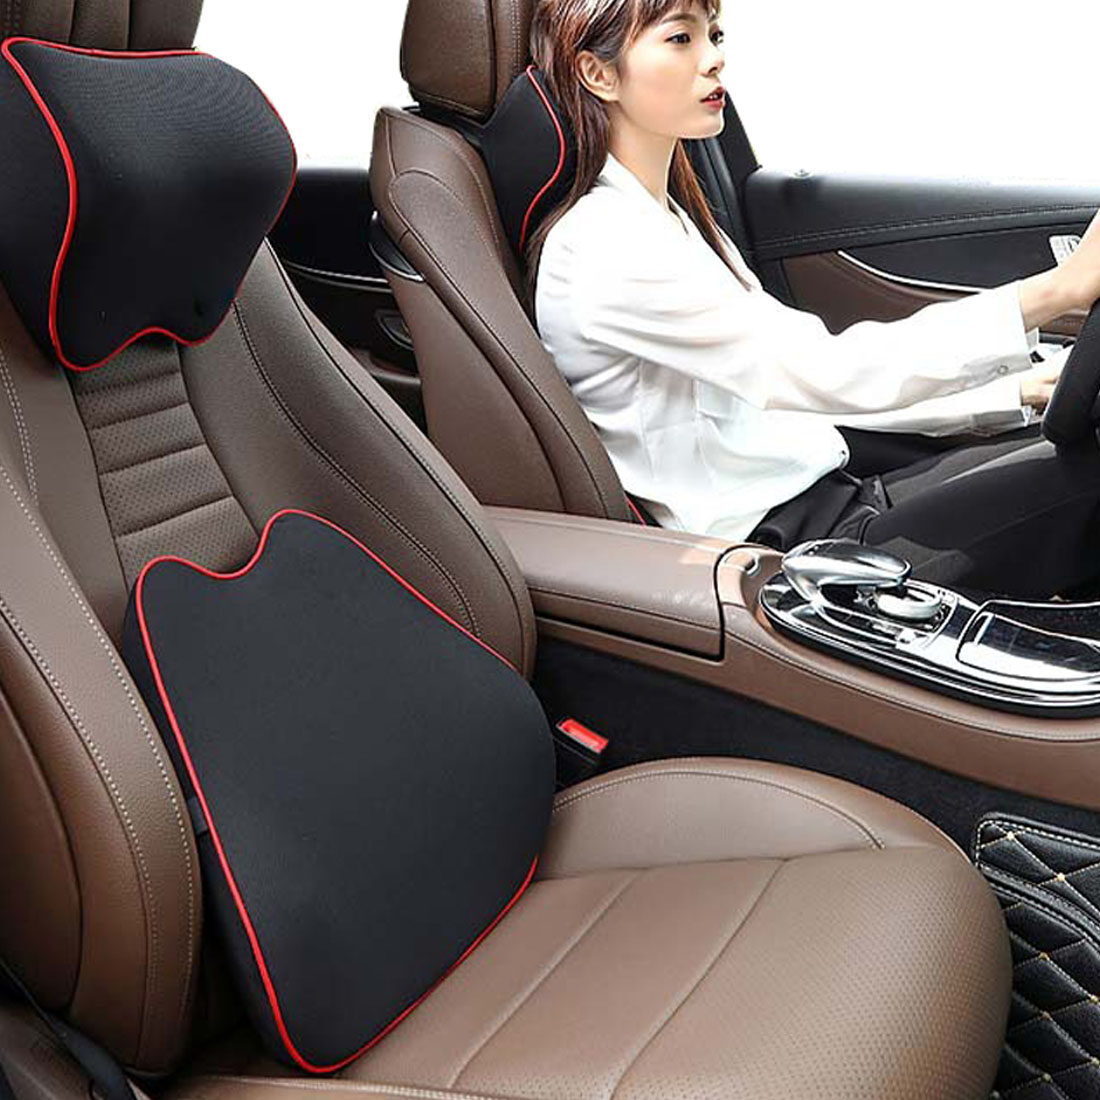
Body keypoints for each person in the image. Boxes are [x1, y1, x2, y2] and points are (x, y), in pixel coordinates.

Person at [527, 0, 1100, 599]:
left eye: (715, 34)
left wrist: (1011, 393)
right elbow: (825, 372)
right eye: (680, 39)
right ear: (599, 73)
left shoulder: (667, 220)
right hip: (793, 559)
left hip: (835, 492)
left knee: (1073, 446)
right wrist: (1056, 290)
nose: (714, 59)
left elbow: (794, 405)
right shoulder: (605, 246)